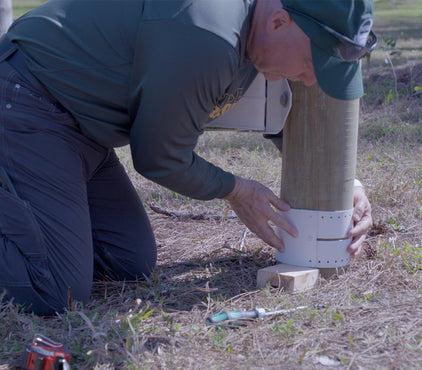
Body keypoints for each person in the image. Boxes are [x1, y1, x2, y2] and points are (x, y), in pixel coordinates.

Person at [0, 0, 374, 315]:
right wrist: (236, 190)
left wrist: (347, 185)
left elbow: (279, 123)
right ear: (279, 21)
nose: (308, 80)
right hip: (26, 98)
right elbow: (159, 157)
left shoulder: (255, 33)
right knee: (52, 290)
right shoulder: (209, 37)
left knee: (128, 262)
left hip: (81, 130)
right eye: (312, 64)